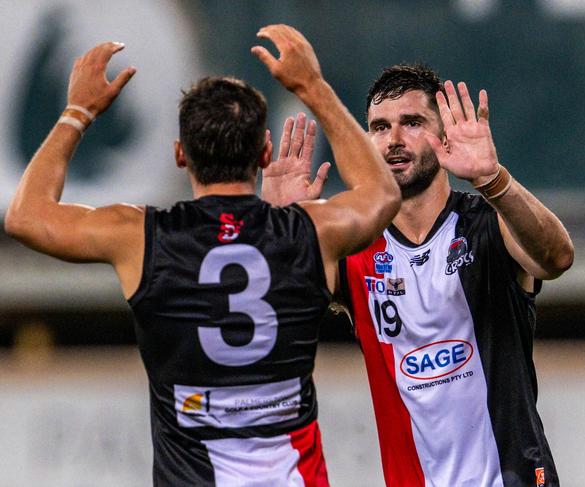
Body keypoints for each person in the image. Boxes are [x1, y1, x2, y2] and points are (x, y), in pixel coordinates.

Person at [4, 25, 400, 487]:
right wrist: (312, 87)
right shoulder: (309, 231)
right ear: (265, 152)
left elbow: (26, 216)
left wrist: (77, 112)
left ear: (179, 155)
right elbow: (380, 193)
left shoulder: (142, 236)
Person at [262, 64, 574, 487]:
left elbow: (556, 258)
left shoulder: (488, 222)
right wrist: (278, 229)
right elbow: (273, 306)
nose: (393, 140)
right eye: (379, 127)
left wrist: (493, 180)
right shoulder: (357, 246)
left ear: (443, 136)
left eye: (412, 123)